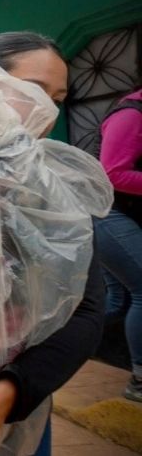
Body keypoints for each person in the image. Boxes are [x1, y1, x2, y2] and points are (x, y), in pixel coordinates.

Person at [0, 32, 105, 455]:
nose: (47, 111)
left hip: (12, 409)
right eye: (32, 90)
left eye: (59, 98)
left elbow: (85, 307)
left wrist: (11, 391)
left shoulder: (53, 193)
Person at [92, 86, 142, 402]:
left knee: (116, 301)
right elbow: (113, 172)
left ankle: (63, 337)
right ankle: (139, 381)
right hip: (108, 216)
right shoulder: (130, 114)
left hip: (120, 216)